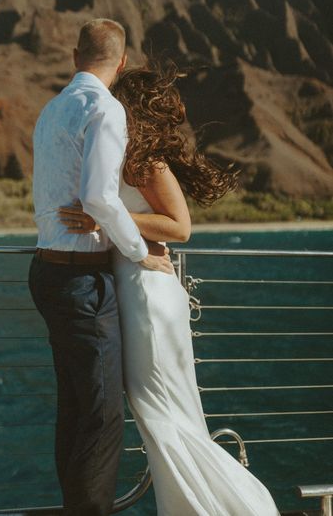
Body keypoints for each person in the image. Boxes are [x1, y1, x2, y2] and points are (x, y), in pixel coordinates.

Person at [59, 64, 281, 516]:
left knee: (164, 412)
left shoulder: (147, 162)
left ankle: (236, 507)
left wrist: (111, 216)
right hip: (133, 286)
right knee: (159, 413)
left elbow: (180, 227)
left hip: (149, 292)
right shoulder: (114, 154)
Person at [29, 20, 174, 516]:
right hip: (82, 281)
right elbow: (98, 198)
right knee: (102, 416)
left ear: (74, 56)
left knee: (75, 409)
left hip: (47, 273)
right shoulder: (104, 109)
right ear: (123, 61)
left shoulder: (51, 110)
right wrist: (140, 252)